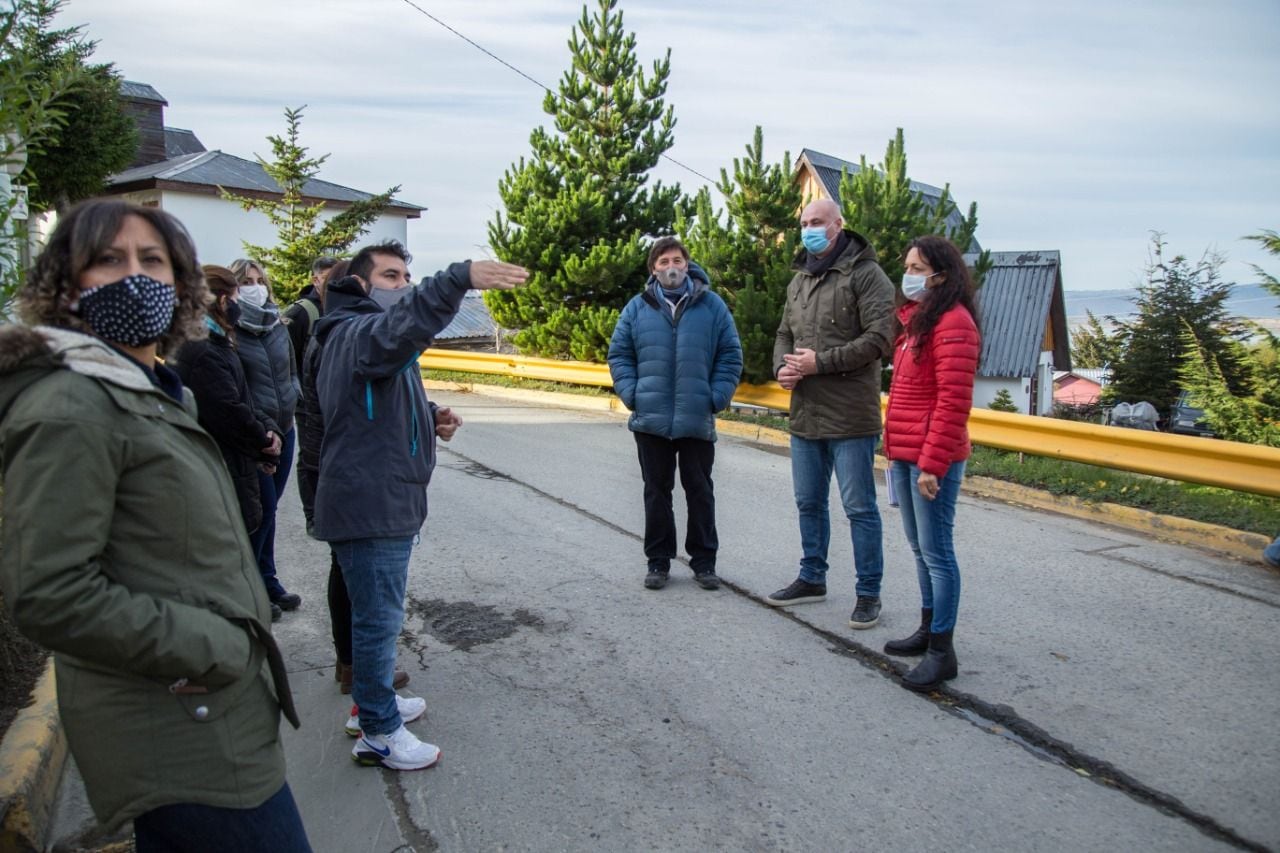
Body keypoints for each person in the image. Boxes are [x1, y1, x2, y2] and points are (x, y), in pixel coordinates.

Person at [0, 199, 308, 851]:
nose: (134, 275)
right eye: (107, 259)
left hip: (213, 720)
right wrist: (214, 646)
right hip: (183, 734)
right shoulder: (72, 405)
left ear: (180, 282)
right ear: (67, 284)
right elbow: (51, 592)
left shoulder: (152, 387)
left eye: (151, 260)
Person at [313, 240, 526, 770]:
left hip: (379, 497)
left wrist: (429, 415)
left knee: (375, 617)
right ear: (360, 286)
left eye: (407, 277)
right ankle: (379, 732)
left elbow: (372, 402)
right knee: (378, 621)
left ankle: (371, 705)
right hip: (371, 502)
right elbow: (398, 331)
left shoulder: (361, 339)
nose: (402, 286)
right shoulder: (356, 331)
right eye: (390, 277)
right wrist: (458, 277)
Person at [765, 198, 895, 630]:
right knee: (808, 502)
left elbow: (880, 337)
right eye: (803, 223)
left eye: (817, 222)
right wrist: (784, 367)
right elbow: (784, 332)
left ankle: (868, 593)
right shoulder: (800, 278)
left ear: (839, 225)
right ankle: (812, 577)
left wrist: (820, 363)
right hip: (806, 413)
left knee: (859, 507)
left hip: (850, 416)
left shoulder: (865, 274)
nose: (808, 229)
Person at [294, 260, 411, 697]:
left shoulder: (335, 329)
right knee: (361, 585)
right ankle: (366, 683)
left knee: (347, 574)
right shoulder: (346, 334)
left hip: (330, 467)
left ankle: (353, 666)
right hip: (340, 472)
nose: (401, 286)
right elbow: (342, 411)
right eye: (391, 277)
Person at [607, 236, 743, 591]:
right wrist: (632, 393)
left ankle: (704, 563)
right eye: (663, 261)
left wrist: (716, 397)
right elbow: (619, 354)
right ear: (653, 268)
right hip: (650, 419)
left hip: (696, 416)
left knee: (699, 491)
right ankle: (658, 561)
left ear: (687, 264)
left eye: (677, 261)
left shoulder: (712, 306)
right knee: (656, 491)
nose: (671, 267)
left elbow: (730, 354)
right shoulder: (637, 308)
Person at [881, 235, 981, 691]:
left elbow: (953, 401)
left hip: (929, 459)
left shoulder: (954, 324)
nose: (909, 277)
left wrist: (932, 465)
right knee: (921, 550)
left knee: (938, 554)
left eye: (918, 269)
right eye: (908, 267)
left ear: (942, 275)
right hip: (905, 453)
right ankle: (928, 629)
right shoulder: (919, 322)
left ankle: (943, 651)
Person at [172, 265, 282, 540]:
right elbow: (226, 410)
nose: (237, 306)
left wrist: (268, 428)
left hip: (238, 454)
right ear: (222, 301)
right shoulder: (203, 350)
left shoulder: (214, 342)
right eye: (234, 298)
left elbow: (242, 396)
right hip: (225, 463)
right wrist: (264, 443)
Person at [229, 258, 302, 619]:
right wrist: (259, 429)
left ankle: (267, 578)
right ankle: (253, 586)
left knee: (270, 513)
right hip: (256, 435)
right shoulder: (231, 331)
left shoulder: (277, 324)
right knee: (262, 510)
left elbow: (292, 369)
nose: (254, 287)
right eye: (245, 281)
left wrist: (294, 397)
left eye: (258, 280)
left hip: (285, 429)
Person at [287, 256, 337, 532]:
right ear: (315, 279)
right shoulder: (301, 314)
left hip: (331, 398)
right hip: (307, 399)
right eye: (327, 277)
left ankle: (328, 510)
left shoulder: (338, 308)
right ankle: (313, 515)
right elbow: (286, 359)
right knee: (310, 457)